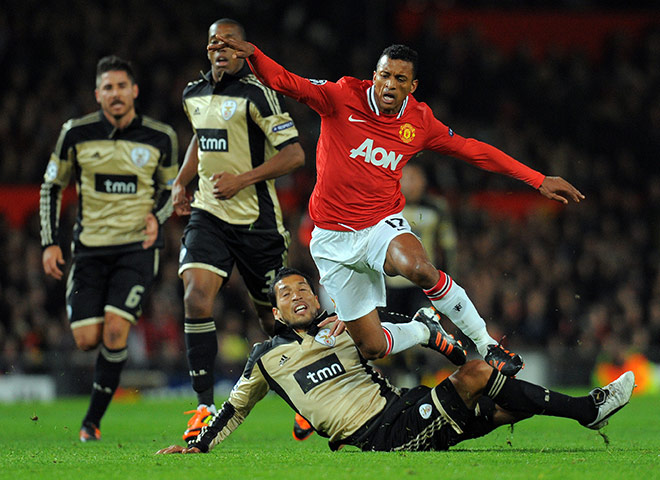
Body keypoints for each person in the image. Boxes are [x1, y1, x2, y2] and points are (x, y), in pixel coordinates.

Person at [210, 38, 585, 376]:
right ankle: (425, 329)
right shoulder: (341, 97)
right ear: (374, 76)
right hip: (331, 238)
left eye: (400, 79)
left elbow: (474, 150)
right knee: (372, 347)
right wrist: (255, 56)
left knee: (419, 269)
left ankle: (487, 345)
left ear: (412, 86)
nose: (391, 85)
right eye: (385, 76)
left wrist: (537, 179)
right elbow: (289, 82)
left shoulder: (419, 122)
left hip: (380, 224)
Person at [156, 268, 634, 454]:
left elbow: (398, 318)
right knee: (480, 375)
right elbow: (235, 406)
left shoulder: (343, 325)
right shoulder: (265, 359)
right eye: (287, 294)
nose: (298, 295)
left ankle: (587, 412)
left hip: (402, 409)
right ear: (275, 312)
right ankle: (587, 411)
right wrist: (198, 447)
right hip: (377, 434)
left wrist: (381, 324)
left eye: (303, 287)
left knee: (495, 404)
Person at [173, 18, 305, 442]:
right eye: (214, 41)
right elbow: (200, 137)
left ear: (244, 50)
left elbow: (295, 155)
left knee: (275, 321)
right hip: (208, 213)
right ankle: (204, 406)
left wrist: (241, 180)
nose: (221, 47)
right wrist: (180, 182)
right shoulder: (192, 93)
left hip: (256, 222)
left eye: (230, 42)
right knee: (195, 297)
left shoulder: (258, 95)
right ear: (206, 49)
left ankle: (307, 402)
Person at [40, 55, 179, 442]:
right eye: (107, 87)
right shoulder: (75, 133)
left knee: (116, 331)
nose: (115, 94)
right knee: (86, 339)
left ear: (134, 91)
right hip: (88, 250)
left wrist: (157, 215)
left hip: (137, 248)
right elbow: (51, 186)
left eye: (121, 86)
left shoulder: (161, 136)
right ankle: (95, 406)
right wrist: (49, 242)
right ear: (97, 94)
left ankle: (91, 422)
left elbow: (171, 189)